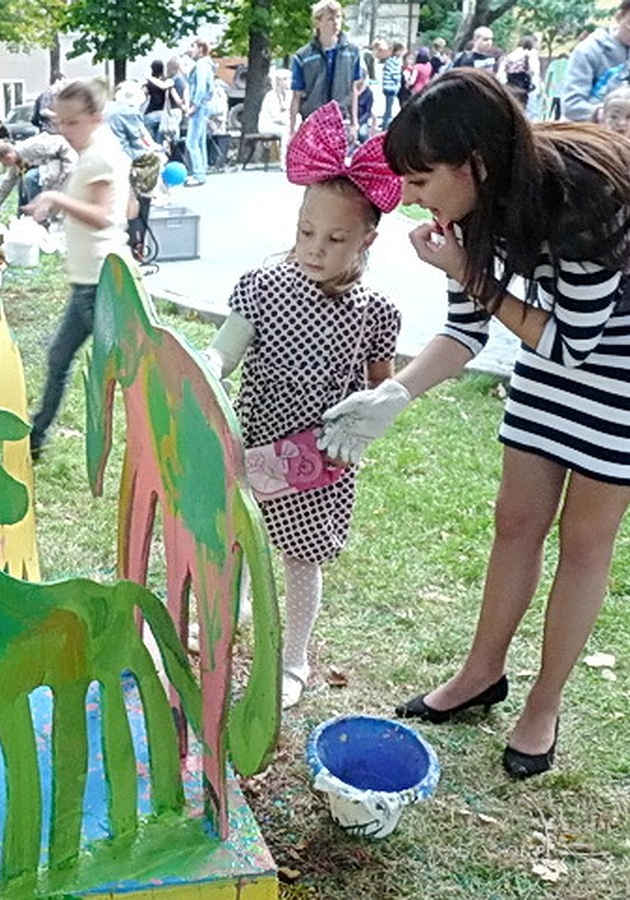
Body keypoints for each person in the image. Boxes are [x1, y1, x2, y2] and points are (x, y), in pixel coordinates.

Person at [320, 69, 630, 779]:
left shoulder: (589, 194)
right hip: (559, 331)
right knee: (516, 520)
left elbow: (572, 342)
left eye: (419, 182)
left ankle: (543, 705)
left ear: (474, 163)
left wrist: (469, 272)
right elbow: (469, 329)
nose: (412, 201)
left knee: (584, 539)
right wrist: (397, 396)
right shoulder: (477, 198)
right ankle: (481, 674)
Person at [202, 102, 402, 709]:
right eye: (306, 231)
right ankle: (228, 615)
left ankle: (294, 659)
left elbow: (381, 389)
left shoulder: (376, 312)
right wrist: (203, 369)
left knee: (301, 559)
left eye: (337, 238)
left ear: (367, 238)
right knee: (237, 537)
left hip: (320, 464)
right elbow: (223, 353)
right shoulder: (263, 285)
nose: (316, 248)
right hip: (254, 445)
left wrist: (373, 412)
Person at [22, 79, 130, 459]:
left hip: (99, 281)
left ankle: (144, 437)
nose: (64, 131)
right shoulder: (98, 152)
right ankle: (37, 434)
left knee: (121, 372)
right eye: (60, 123)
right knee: (60, 357)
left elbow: (105, 216)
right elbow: (127, 210)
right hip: (89, 280)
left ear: (95, 118)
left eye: (72, 122)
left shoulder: (100, 155)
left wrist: (55, 199)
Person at [561, 0, 630, 122]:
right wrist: (606, 115)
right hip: (588, 132)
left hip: (628, 138)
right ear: (619, 17)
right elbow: (571, 105)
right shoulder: (588, 51)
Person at [288, 0, 365, 140]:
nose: (336, 23)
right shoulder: (303, 56)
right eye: (330, 19)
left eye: (338, 17)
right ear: (318, 22)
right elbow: (296, 95)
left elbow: (353, 89)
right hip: (313, 121)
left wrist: (355, 123)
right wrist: (292, 129)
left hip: (340, 120)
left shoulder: (352, 52)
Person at [0, 134, 77, 214]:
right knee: (22, 185)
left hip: (59, 167)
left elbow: (61, 144)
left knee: (30, 178)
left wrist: (69, 169)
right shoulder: (15, 163)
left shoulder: (31, 147)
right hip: (42, 173)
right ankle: (24, 217)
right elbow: (6, 184)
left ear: (8, 158)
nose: (5, 166)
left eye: (3, 163)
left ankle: (37, 215)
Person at [185, 38, 216, 185]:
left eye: (193, 46)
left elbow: (201, 88)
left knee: (191, 142)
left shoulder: (201, 65)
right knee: (200, 140)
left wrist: (194, 106)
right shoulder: (207, 65)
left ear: (200, 49)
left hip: (199, 106)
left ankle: (198, 174)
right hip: (204, 105)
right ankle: (202, 170)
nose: (190, 49)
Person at [379, 41, 404, 129]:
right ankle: (385, 126)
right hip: (390, 87)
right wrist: (402, 75)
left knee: (389, 107)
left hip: (391, 87)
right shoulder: (392, 61)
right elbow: (395, 75)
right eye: (401, 51)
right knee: (389, 109)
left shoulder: (393, 61)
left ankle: (385, 123)